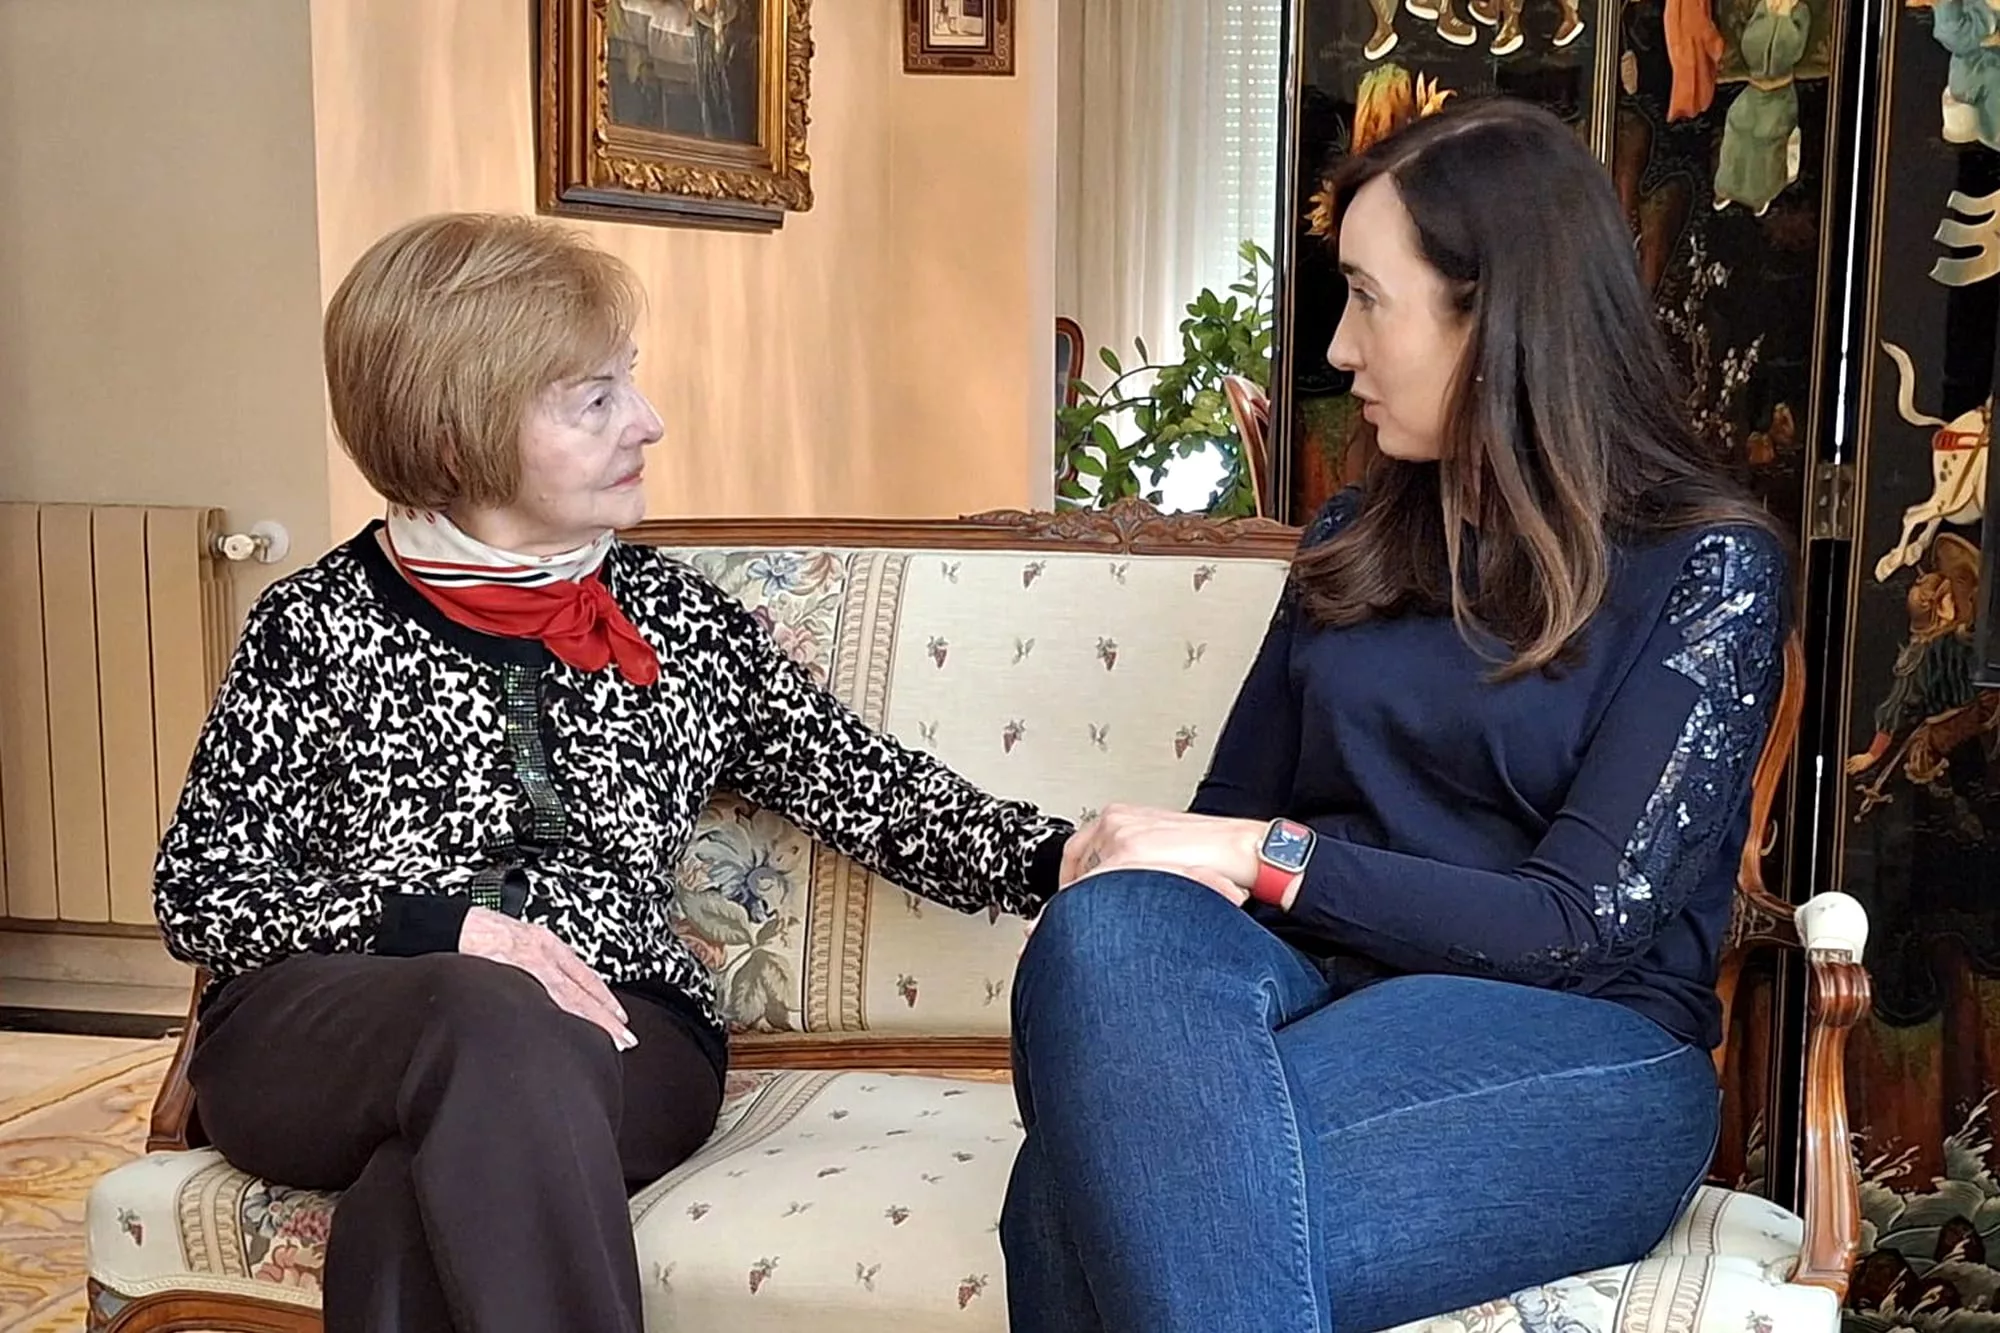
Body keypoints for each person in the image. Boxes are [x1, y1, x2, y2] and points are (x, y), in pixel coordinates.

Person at [153, 212, 1072, 1333]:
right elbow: (203, 889)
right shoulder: (313, 624)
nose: (649, 422)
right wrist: (440, 926)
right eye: (594, 400)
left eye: (627, 382)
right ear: (458, 436)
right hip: (331, 1027)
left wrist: (1077, 854)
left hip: (619, 1031)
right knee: (480, 1005)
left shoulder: (675, 620)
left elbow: (877, 793)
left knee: (415, 1204)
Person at [999, 97, 1791, 1333]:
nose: (1335, 349)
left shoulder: (1702, 567)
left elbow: (1576, 926)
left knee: (1069, 1189)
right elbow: (1212, 838)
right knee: (1111, 927)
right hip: (1307, 993)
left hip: (1573, 1045)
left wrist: (1268, 857)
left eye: (1368, 298)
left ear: (1496, 316)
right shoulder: (1348, 542)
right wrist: (1203, 859)